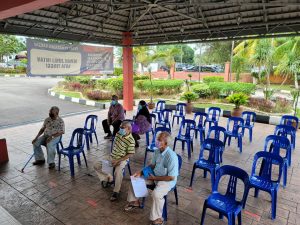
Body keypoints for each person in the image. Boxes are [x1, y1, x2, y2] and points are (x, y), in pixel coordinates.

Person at [124, 132, 179, 225]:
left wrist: (156, 178)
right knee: (135, 179)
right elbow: (152, 165)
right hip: (155, 175)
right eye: (157, 139)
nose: (157, 141)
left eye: (159, 140)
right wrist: (140, 172)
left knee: (156, 194)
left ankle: (157, 218)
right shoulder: (157, 151)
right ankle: (135, 201)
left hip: (167, 180)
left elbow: (171, 177)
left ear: (165, 143)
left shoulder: (172, 156)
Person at [94, 121, 135, 201]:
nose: (120, 129)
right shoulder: (118, 134)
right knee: (96, 165)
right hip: (112, 156)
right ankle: (108, 177)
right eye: (120, 127)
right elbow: (115, 147)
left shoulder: (131, 140)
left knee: (118, 171)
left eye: (122, 128)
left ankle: (116, 191)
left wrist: (118, 160)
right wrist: (112, 159)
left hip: (122, 159)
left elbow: (130, 154)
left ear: (129, 129)